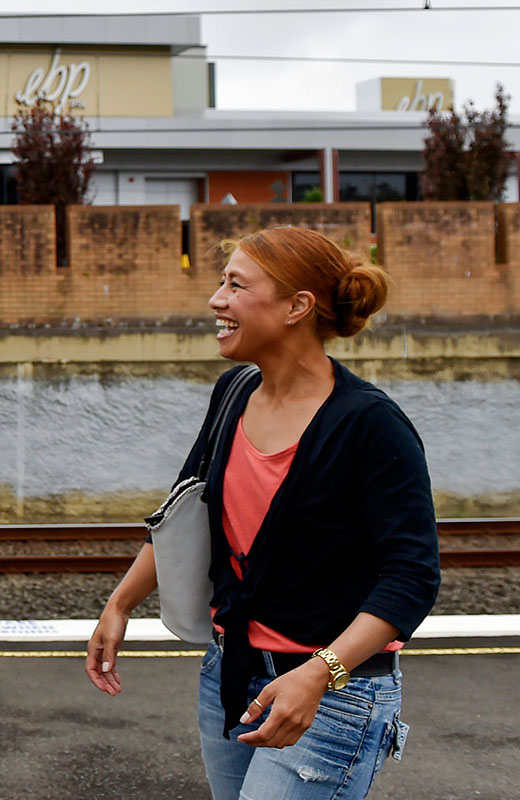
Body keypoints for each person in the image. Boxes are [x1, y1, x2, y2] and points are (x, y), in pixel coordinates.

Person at [85, 226, 440, 800]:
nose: (215, 300)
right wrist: (120, 604)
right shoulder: (234, 392)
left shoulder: (371, 425)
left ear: (298, 306)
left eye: (235, 284)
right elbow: (184, 509)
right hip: (231, 673)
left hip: (331, 695)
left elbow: (412, 580)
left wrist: (317, 675)